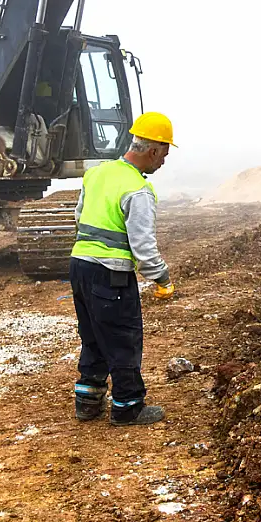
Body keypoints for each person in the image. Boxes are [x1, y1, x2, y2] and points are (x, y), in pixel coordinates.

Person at [69, 111, 176, 426]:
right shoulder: (138, 189)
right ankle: (128, 407)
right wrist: (162, 278)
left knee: (93, 336)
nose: (164, 162)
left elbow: (79, 217)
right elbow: (143, 247)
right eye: (165, 154)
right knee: (123, 338)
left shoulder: (98, 174)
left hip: (79, 266)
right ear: (152, 150)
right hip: (111, 275)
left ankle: (87, 402)